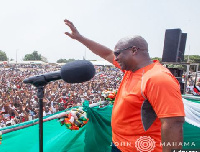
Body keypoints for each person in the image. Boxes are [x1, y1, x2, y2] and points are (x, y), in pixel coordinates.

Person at [64, 19, 185, 152]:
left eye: (118, 53)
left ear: (134, 50)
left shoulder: (158, 78)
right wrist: (80, 38)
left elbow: (173, 122)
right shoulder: (131, 70)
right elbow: (106, 53)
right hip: (119, 144)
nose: (115, 58)